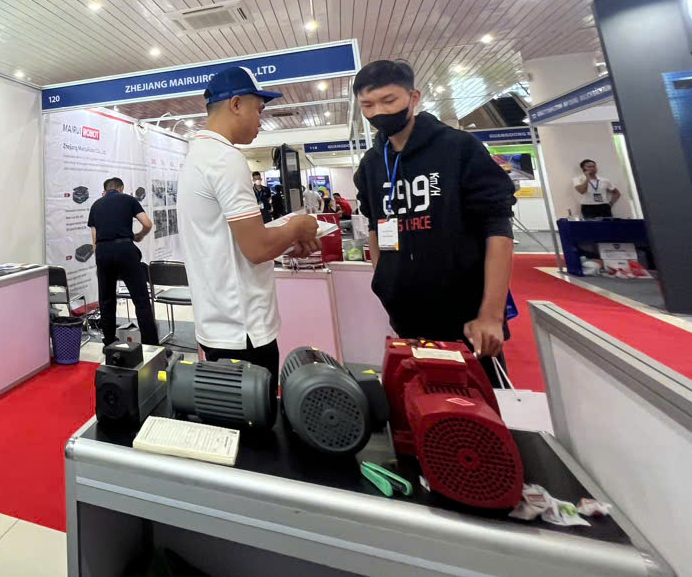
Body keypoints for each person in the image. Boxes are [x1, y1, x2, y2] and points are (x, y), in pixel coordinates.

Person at [352, 60, 516, 386]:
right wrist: (384, 282)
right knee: (420, 402)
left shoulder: (458, 148)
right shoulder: (371, 164)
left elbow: (497, 227)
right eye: (367, 105)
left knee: (478, 406)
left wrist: (491, 314)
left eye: (388, 100)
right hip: (406, 317)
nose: (378, 112)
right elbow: (374, 225)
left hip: (467, 317)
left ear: (414, 98)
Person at [178, 67, 321, 393]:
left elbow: (229, 241)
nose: (261, 120)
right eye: (259, 110)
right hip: (242, 331)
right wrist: (298, 225)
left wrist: (288, 238)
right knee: (254, 419)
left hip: (220, 322)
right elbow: (256, 248)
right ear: (236, 104)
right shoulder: (224, 158)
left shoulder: (198, 155)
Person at [87, 177, 157, 346]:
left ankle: (109, 342)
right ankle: (151, 345)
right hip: (125, 250)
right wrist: (139, 236)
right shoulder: (129, 200)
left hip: (103, 252)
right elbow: (147, 224)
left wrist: (100, 255)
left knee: (106, 299)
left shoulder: (96, 205)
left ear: (105, 191)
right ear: (121, 189)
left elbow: (94, 237)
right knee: (140, 299)